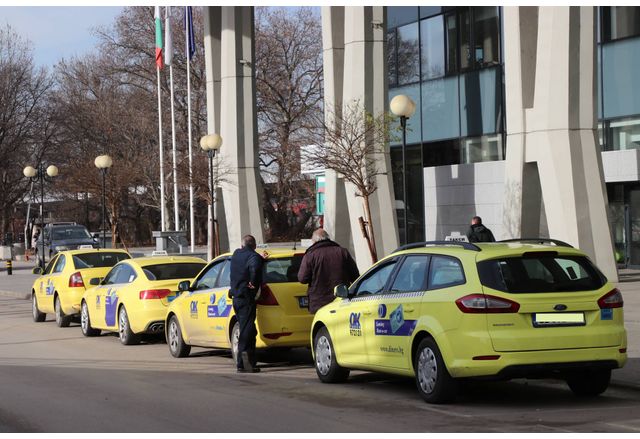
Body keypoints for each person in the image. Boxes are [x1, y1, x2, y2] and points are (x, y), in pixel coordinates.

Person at [298, 228, 360, 314]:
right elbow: (355, 276)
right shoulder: (342, 252)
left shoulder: (310, 255)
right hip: (341, 300)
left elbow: (302, 278)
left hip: (319, 303)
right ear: (328, 238)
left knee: (323, 326)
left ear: (314, 241)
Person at [229, 234, 264, 373]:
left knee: (249, 330)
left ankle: (249, 362)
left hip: (236, 298)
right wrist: (253, 284)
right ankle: (243, 363)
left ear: (242, 245)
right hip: (246, 299)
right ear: (254, 246)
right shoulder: (253, 257)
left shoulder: (236, 254)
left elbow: (249, 263)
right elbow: (254, 269)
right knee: (246, 331)